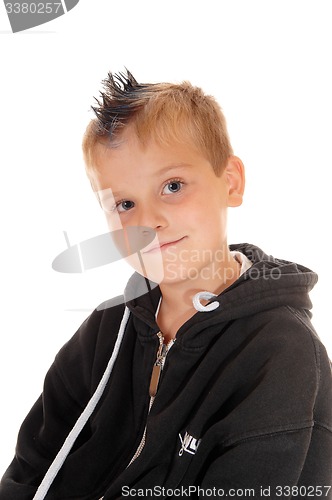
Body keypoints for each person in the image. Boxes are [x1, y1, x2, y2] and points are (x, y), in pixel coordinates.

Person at [0, 70, 331, 500]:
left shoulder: (281, 353)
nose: (147, 221)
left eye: (172, 186)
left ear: (230, 181)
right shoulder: (106, 330)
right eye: (124, 204)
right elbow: (30, 471)